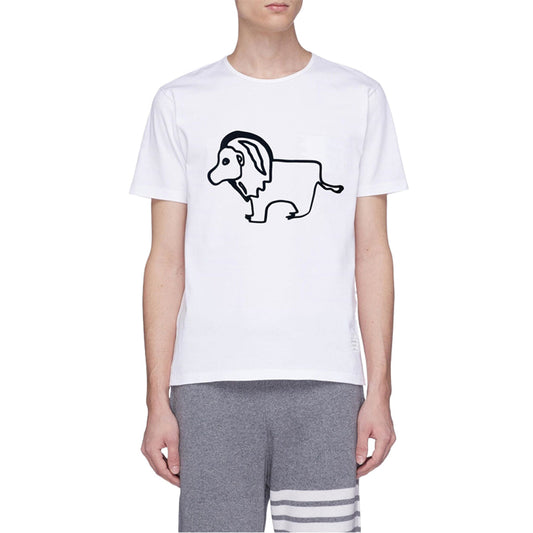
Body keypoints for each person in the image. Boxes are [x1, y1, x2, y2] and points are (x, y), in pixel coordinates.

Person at [129, 1, 408, 531]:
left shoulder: (359, 98)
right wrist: (155, 401)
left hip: (326, 386)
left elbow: (373, 253)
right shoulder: (180, 103)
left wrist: (381, 391)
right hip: (208, 388)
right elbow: (165, 261)